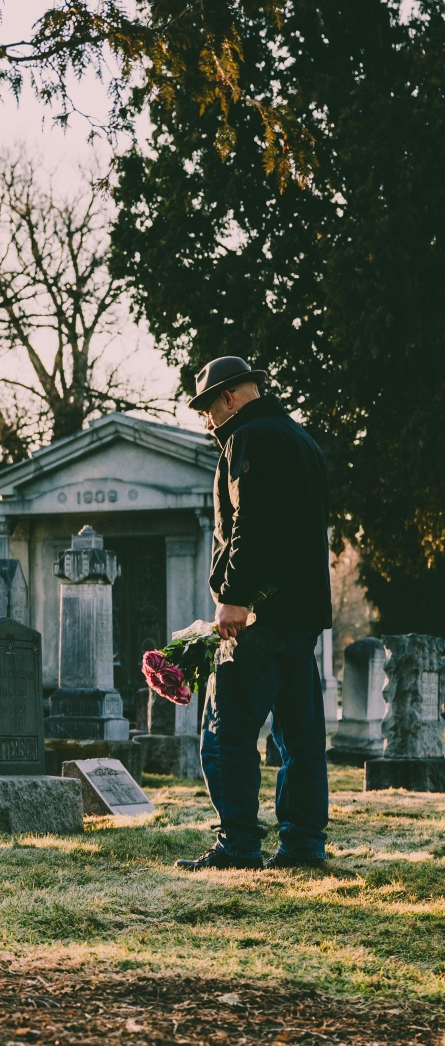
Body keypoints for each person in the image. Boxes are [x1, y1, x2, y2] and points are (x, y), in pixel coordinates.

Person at [175, 356, 333, 871]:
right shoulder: (302, 441)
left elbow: (251, 523)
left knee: (226, 732)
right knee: (300, 737)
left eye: (206, 407)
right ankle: (303, 844)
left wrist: (235, 597)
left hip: (258, 614)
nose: (205, 420)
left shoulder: (250, 438)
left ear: (228, 398)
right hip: (301, 615)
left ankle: (239, 843)